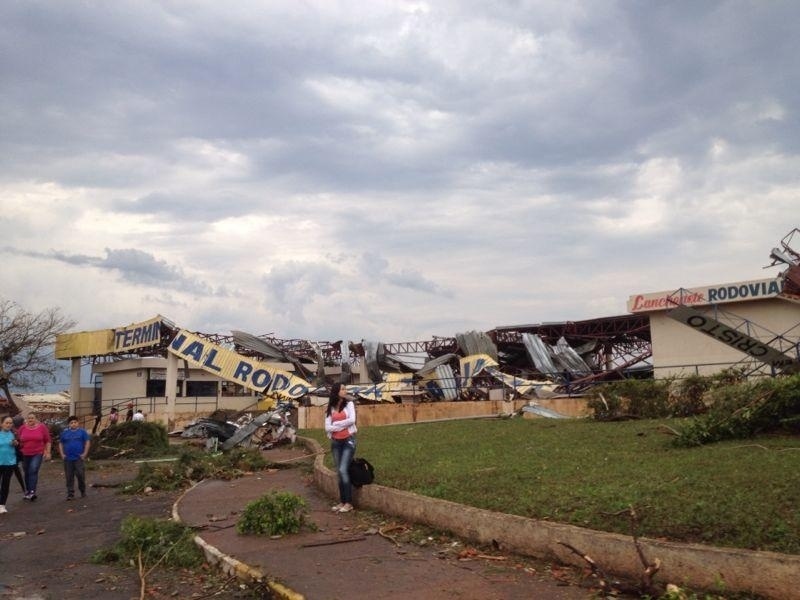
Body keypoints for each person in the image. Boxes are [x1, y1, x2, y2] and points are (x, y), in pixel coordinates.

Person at [324, 382, 357, 513]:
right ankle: (342, 501)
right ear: (336, 391)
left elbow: (352, 420)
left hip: (348, 441)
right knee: (339, 472)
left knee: (343, 469)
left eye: (345, 388)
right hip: (336, 442)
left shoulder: (349, 404)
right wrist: (340, 425)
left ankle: (349, 503)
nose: (345, 390)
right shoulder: (330, 407)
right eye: (343, 389)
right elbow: (327, 427)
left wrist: (336, 423)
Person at [17, 413, 51, 501]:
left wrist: (48, 452)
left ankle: (32, 492)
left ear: (36, 419)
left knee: (33, 470)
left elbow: (48, 440)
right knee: (27, 472)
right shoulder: (22, 428)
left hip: (38, 453)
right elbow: (18, 440)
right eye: (28, 418)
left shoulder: (42, 427)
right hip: (25, 453)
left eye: (32, 418)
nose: (30, 419)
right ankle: (27, 492)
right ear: (26, 419)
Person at [58, 415, 90, 500]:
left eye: (75, 422)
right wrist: (62, 454)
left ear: (78, 423)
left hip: (78, 458)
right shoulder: (64, 433)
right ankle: (70, 493)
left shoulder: (82, 432)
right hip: (68, 458)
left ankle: (83, 490)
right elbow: (60, 443)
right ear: (69, 424)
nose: (73, 424)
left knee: (80, 474)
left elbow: (87, 442)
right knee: (69, 476)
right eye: (71, 423)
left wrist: (85, 453)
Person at [0, 416, 19, 513]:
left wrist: (16, 443)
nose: (9, 425)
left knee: (5, 484)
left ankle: (2, 505)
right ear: (1, 424)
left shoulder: (13, 434)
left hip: (10, 463)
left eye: (10, 423)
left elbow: (17, 445)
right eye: (7, 423)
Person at [11, 415, 26, 493]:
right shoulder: (23, 428)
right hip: (20, 451)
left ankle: (25, 488)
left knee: (18, 471)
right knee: (23, 470)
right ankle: (25, 488)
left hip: (17, 452)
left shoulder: (11, 430)